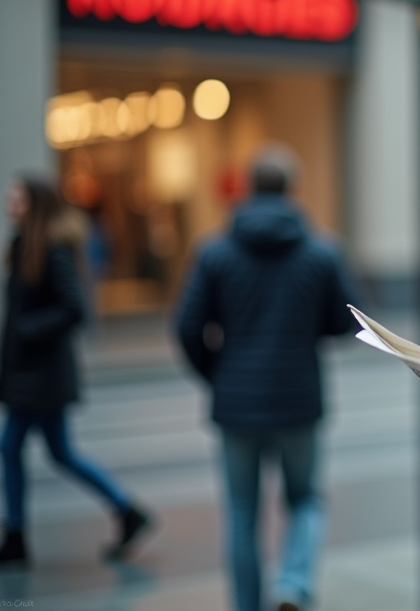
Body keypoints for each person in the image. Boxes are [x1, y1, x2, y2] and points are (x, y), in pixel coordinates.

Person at [175, 145, 359, 611]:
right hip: (299, 399)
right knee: (306, 500)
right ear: (291, 189)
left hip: (235, 403)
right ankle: (292, 585)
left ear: (249, 186)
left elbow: (186, 326)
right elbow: (347, 322)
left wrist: (216, 374)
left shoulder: (214, 251)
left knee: (241, 514)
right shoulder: (322, 250)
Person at [0, 174, 152, 565]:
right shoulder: (24, 247)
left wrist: (28, 330)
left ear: (35, 203)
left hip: (41, 377)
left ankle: (16, 536)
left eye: (16, 196)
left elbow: (74, 308)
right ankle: (125, 509)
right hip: (29, 373)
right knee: (58, 452)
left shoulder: (51, 250)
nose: (9, 202)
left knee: (12, 446)